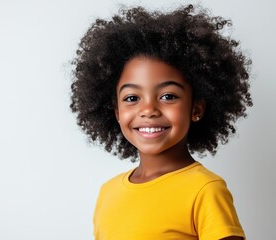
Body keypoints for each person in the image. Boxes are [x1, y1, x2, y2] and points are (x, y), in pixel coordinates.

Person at [70, 4, 252, 240]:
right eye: (132, 98)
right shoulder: (108, 192)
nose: (148, 110)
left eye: (168, 96)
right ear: (116, 112)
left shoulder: (205, 190)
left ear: (196, 108)